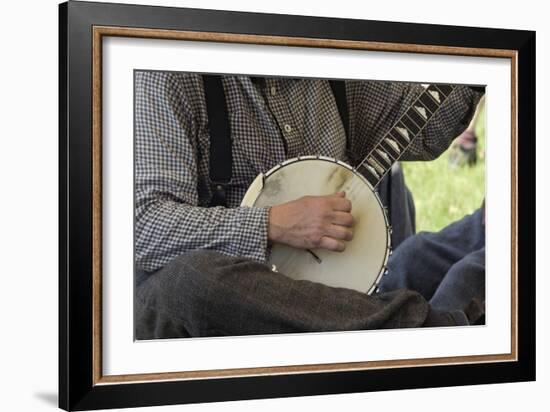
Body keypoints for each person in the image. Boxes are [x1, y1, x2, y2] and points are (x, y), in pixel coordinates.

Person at [134, 72, 483, 339]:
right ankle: (422, 332)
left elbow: (425, 131)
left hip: (323, 299)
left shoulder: (330, 68)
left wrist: (480, 69)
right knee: (190, 279)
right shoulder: (168, 75)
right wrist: (274, 223)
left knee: (421, 256)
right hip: (199, 310)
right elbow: (141, 227)